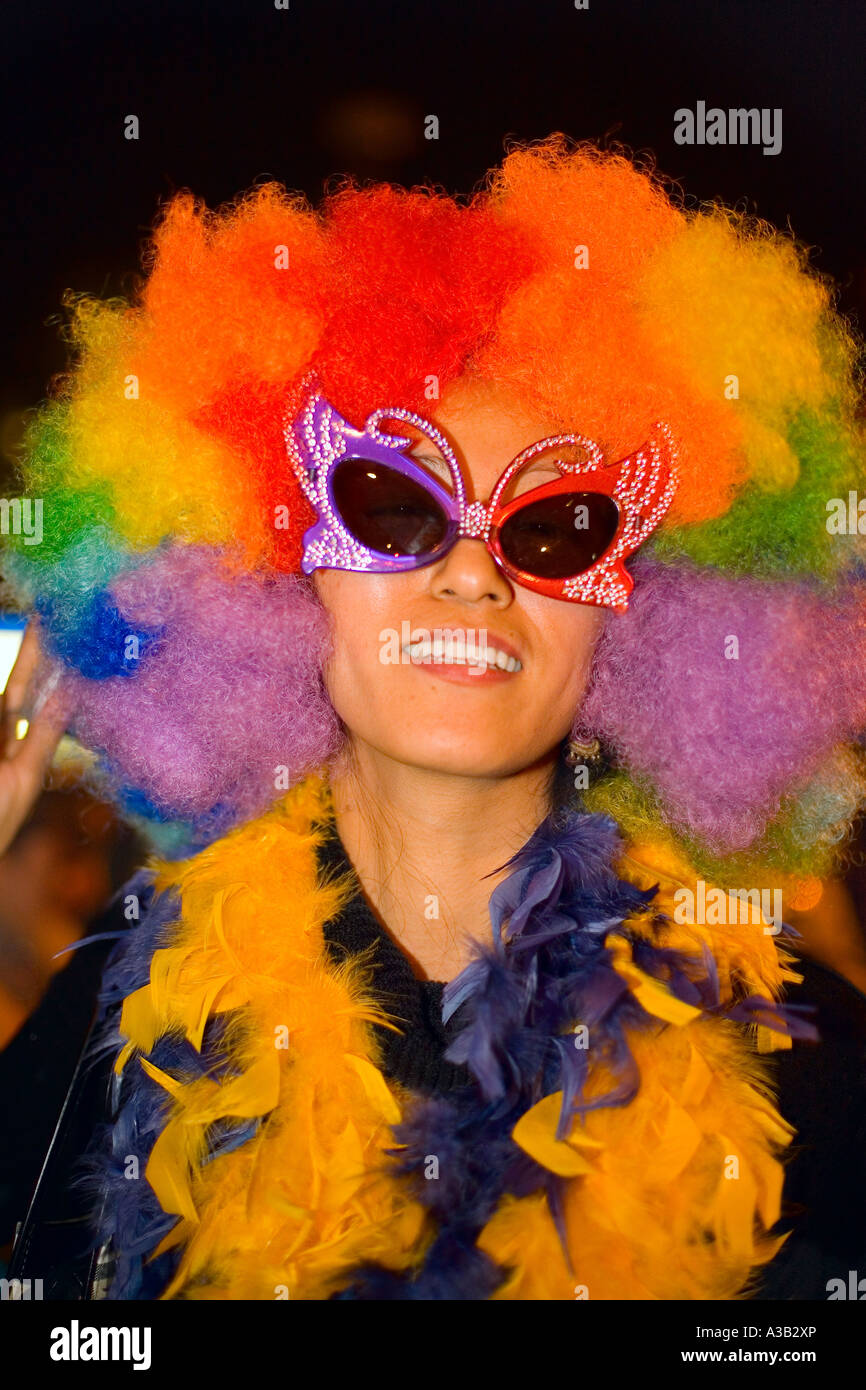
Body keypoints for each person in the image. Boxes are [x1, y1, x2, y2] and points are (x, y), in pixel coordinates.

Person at [3, 134, 866, 1301]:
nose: (470, 577)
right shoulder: (115, 1030)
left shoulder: (805, 1070)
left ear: (647, 610)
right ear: (269, 571)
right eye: (388, 504)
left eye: (556, 529)